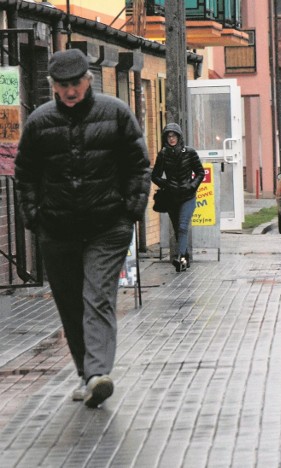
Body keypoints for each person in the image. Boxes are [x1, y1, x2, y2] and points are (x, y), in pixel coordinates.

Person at [14, 49, 150, 407]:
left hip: (108, 225)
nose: (71, 91)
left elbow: (139, 165)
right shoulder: (40, 123)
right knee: (71, 304)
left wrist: (132, 210)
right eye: (63, 85)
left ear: (88, 80)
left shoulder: (116, 114)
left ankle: (98, 374)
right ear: (53, 87)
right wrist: (33, 216)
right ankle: (86, 374)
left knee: (97, 296)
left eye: (76, 83)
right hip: (57, 229)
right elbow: (25, 174)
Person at [151, 123, 205, 272]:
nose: (171, 139)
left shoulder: (190, 152)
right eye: (168, 136)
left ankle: (180, 257)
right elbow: (154, 175)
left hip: (188, 196)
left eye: (174, 136)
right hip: (171, 197)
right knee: (177, 229)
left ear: (179, 137)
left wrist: (192, 185)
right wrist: (166, 184)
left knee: (182, 226)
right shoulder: (163, 154)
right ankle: (185, 258)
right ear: (165, 138)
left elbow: (200, 172)